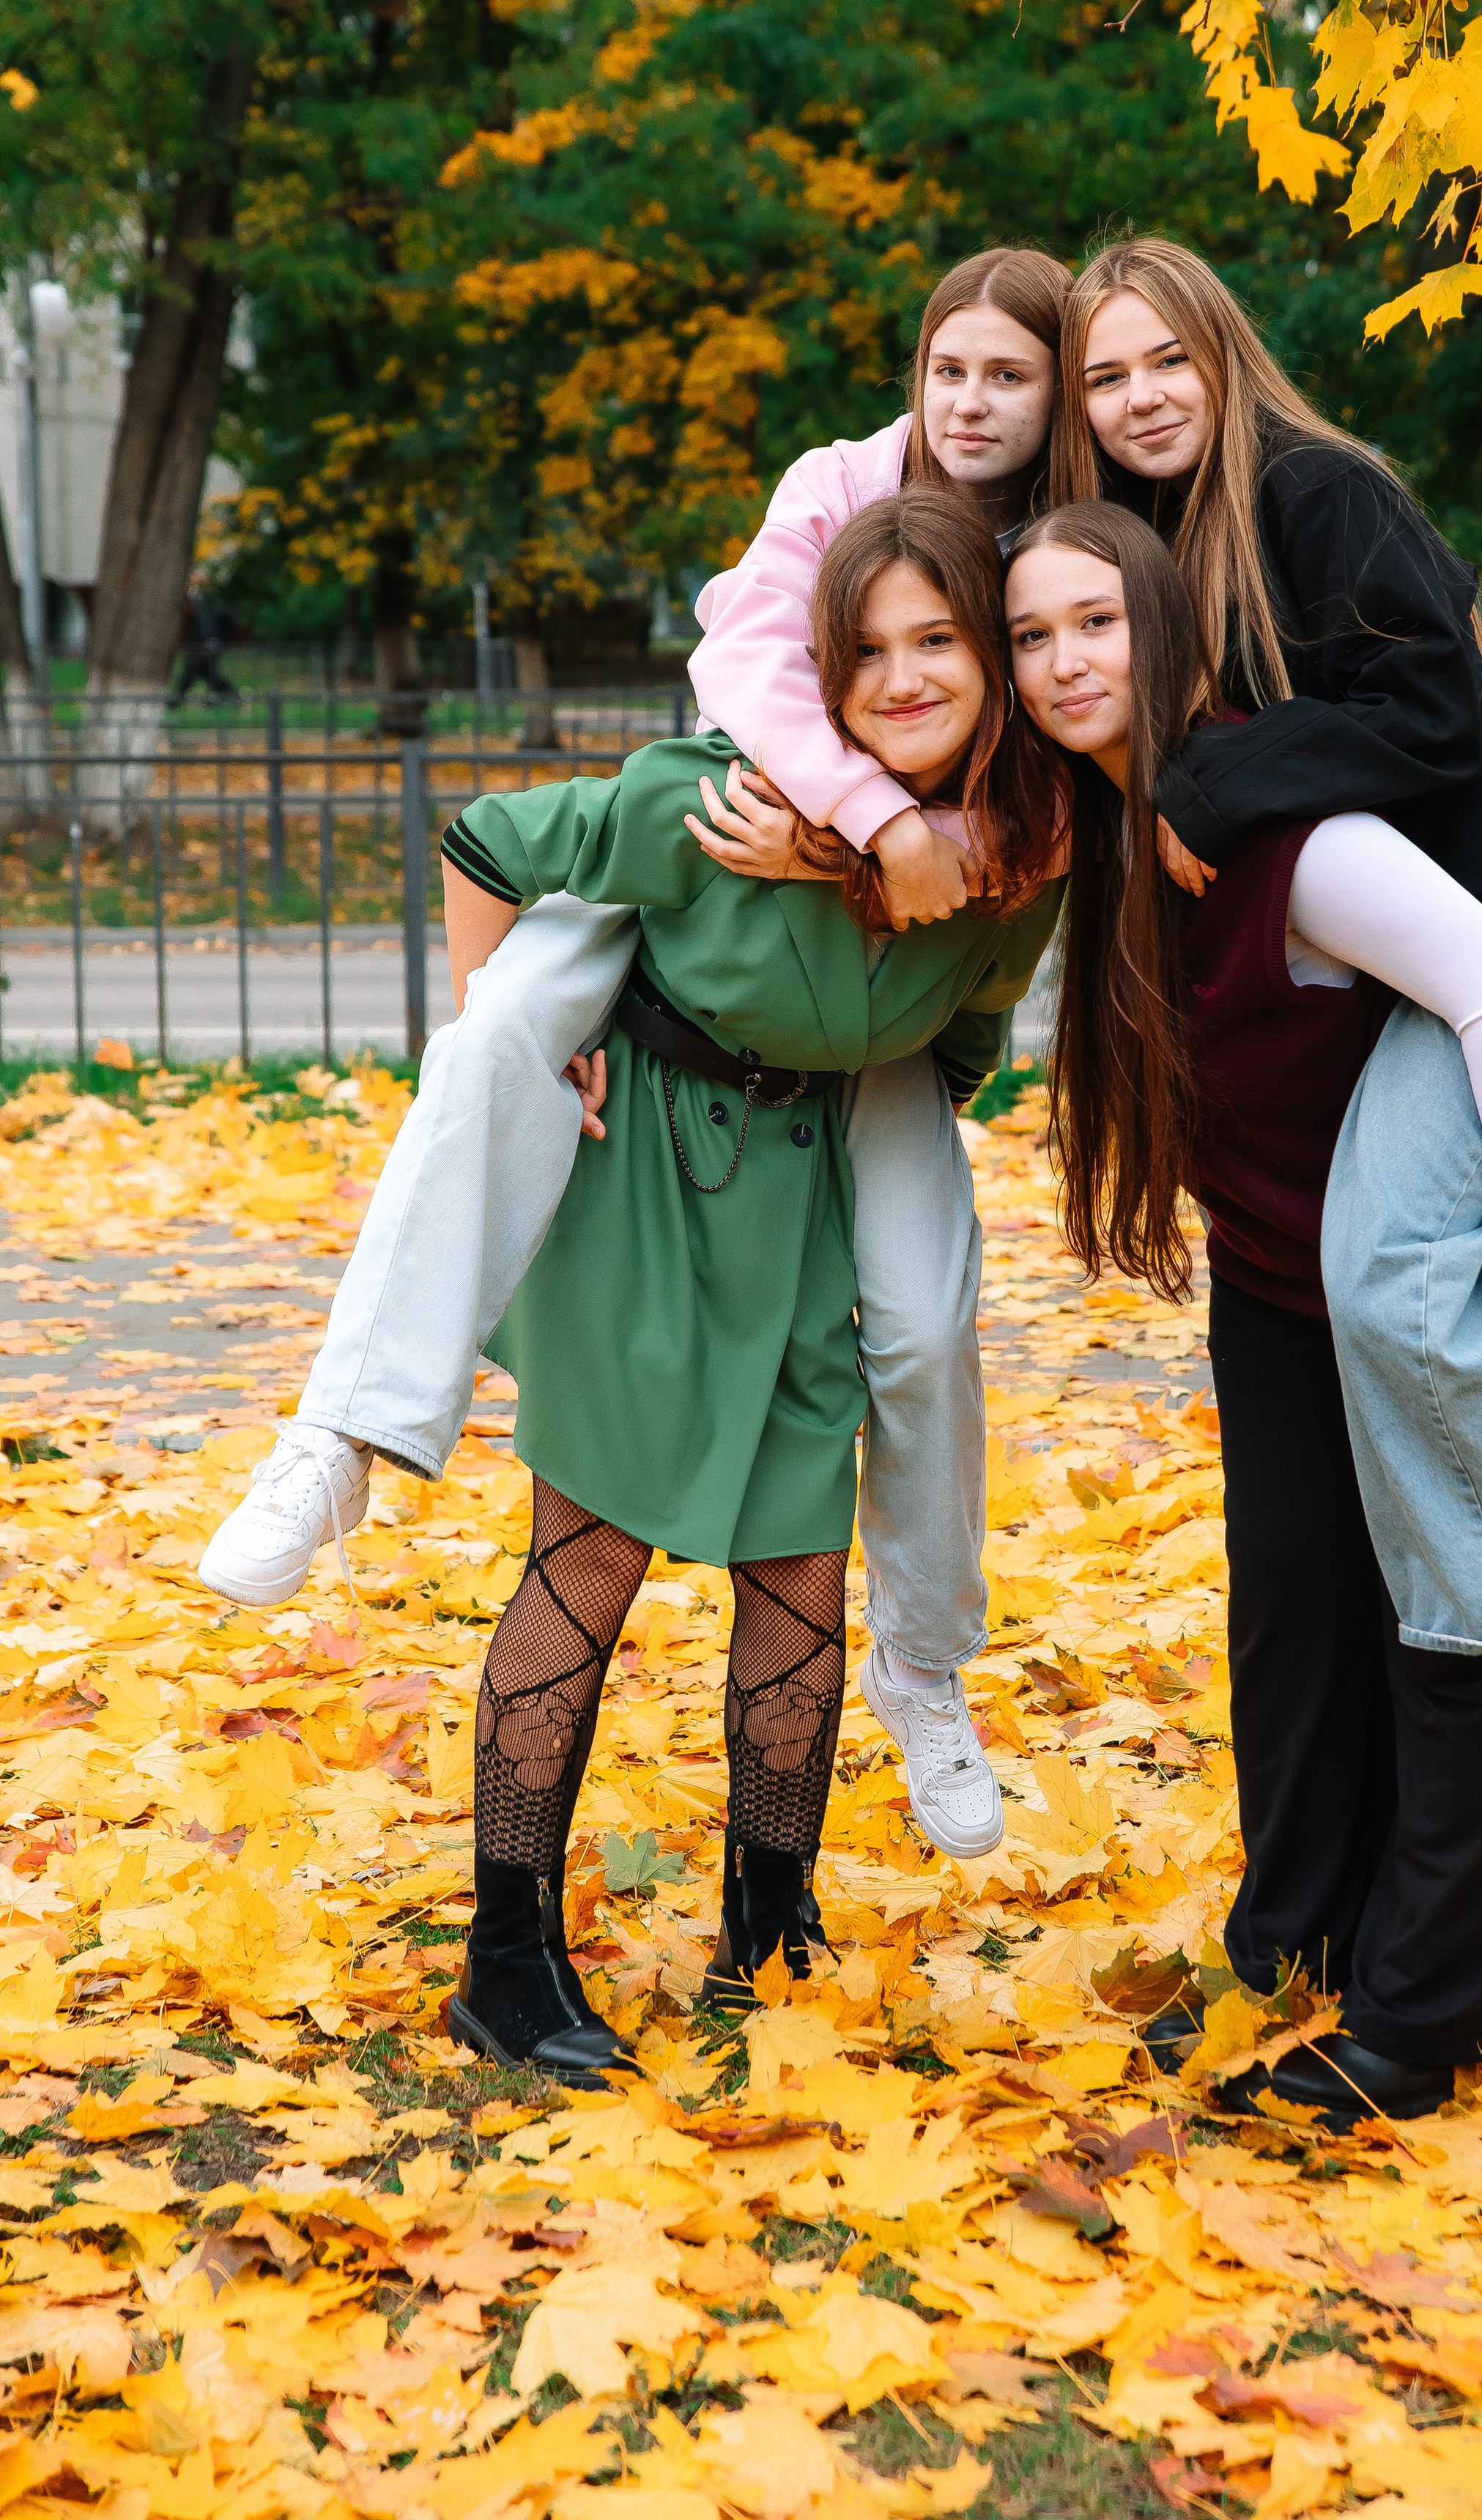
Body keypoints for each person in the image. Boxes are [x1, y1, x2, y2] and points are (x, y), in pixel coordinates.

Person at [196, 245, 1072, 1863]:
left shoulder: (1067, 535)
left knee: (925, 1312)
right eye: (949, 368)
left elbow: (1057, 784)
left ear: (1055, 392)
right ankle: (347, 1428)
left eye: (1008, 375)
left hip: (881, 975)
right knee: (498, 1047)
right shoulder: (843, 483)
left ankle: (922, 1661)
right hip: (744, 825)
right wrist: (853, 824)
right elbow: (740, 665)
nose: (971, 401)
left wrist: (906, 874)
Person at [1006, 503, 1482, 2127]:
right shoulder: (1121, 830)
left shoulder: (1291, 832)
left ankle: (1424, 2021)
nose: (1064, 662)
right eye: (1033, 635)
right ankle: (1293, 1952)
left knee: (1458, 1626)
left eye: (1098, 622)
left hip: (1451, 1264)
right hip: (1279, 1270)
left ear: (1171, 626)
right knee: (1295, 1613)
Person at [1048, 237, 1482, 1864]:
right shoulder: (1152, 539)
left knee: (1397, 1286)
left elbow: (1427, 714)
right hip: (1433, 978)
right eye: (1104, 378)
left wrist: (1214, 787)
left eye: (1165, 360)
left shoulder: (1315, 493)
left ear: (1223, 352)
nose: (1141, 399)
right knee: (1373, 1301)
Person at [440, 489, 1064, 2079]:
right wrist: (521, 1039)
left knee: (799, 1573)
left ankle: (768, 1932)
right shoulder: (718, 797)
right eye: (868, 651)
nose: (904, 678)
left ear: (992, 666)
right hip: (649, 1173)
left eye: (940, 642)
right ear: (820, 673)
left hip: (807, 1194)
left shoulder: (1014, 866)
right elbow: (487, 840)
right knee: (588, 1561)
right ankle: (505, 1961)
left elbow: (964, 1040)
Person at [168, 584, 238, 708]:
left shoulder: (203, 616)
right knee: (204, 678)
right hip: (199, 656)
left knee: (205, 677)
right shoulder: (195, 617)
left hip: (203, 656)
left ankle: (231, 697)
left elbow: (208, 637)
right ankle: (233, 696)